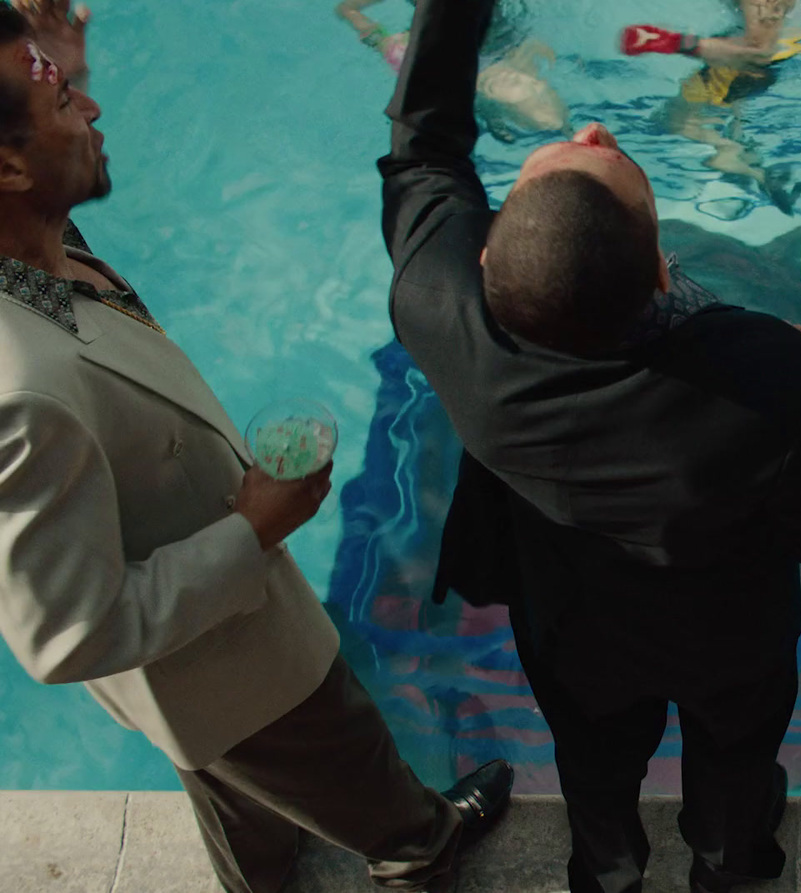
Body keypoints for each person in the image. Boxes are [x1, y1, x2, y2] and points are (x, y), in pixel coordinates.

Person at [0, 3, 511, 891]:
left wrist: (55, 73)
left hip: (189, 697)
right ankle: (417, 846)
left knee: (230, 787)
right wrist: (252, 527)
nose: (91, 111)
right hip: (224, 655)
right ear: (7, 165)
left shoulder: (23, 241)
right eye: (60, 107)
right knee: (338, 751)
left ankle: (261, 874)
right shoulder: (21, 394)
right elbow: (67, 634)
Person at [377, 1, 801, 892]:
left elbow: (424, 152)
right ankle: (727, 867)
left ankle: (608, 869)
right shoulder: (765, 372)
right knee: (735, 763)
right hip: (730, 638)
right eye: (596, 153)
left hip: (574, 632)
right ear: (661, 269)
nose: (594, 124)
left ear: (485, 261)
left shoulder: (448, 324)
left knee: (594, 761)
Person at [632, 0, 801, 214]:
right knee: (683, 119)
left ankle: (747, 165)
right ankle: (750, 164)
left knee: (676, 121)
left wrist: (673, 43)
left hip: (741, 68)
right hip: (748, 70)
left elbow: (758, 51)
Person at [336, 0, 570, 139]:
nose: (523, 80)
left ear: (498, 103)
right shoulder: (522, 51)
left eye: (517, 87)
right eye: (536, 83)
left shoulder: (435, 71)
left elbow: (378, 39)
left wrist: (349, 12)